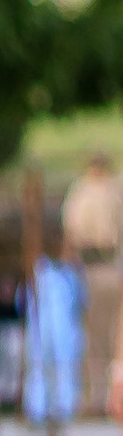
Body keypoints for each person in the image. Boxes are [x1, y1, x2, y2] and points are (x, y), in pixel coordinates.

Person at [64, 151, 122, 410]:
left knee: (93, 336)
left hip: (93, 267)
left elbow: (73, 229)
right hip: (113, 267)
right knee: (113, 335)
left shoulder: (83, 192)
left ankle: (95, 396)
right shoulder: (115, 190)